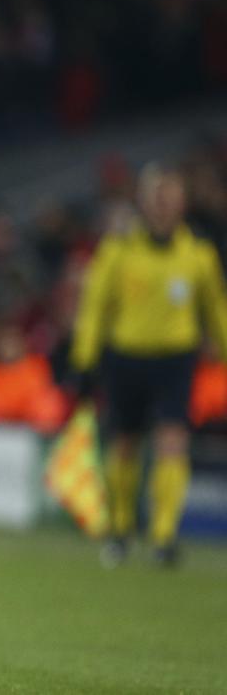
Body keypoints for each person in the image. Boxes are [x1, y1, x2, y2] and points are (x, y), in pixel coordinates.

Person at [71, 163, 227, 567]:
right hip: (126, 356)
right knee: (125, 444)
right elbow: (95, 306)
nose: (162, 205)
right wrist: (84, 360)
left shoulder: (198, 254)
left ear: (182, 203)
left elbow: (216, 310)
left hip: (176, 359)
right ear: (143, 202)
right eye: (156, 196)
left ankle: (163, 535)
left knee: (172, 440)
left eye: (169, 196)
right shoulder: (118, 250)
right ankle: (121, 529)